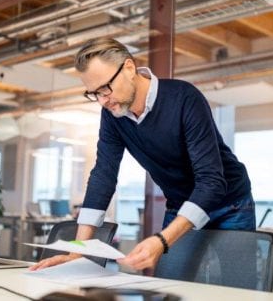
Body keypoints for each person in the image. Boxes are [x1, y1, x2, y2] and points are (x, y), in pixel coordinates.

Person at [30, 38, 255, 271]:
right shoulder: (112, 116)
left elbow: (211, 181)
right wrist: (78, 251)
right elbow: (103, 175)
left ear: (129, 68)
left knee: (237, 287)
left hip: (230, 203)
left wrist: (162, 240)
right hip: (180, 204)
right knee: (172, 289)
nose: (102, 100)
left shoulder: (184, 98)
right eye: (94, 93)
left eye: (105, 88)